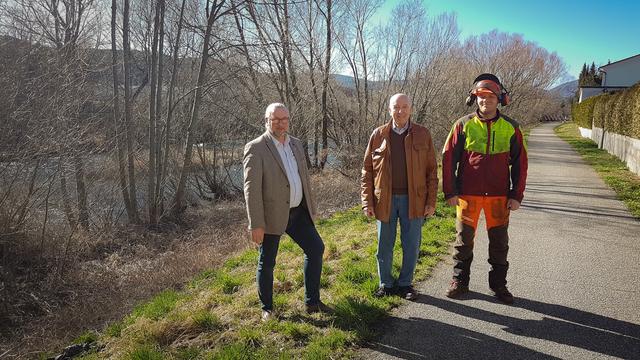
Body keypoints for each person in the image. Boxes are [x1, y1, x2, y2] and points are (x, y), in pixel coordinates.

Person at [442, 73, 528, 304]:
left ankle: (499, 285)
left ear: (500, 99)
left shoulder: (511, 127)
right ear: (474, 98)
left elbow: (521, 162)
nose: (485, 101)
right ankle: (460, 281)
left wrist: (516, 195)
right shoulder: (462, 125)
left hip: (499, 196)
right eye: (481, 96)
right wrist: (450, 192)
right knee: (463, 241)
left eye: (490, 97)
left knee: (499, 242)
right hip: (467, 195)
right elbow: (448, 159)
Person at [243, 103, 330, 322]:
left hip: (298, 212)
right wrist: (256, 224)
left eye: (284, 119)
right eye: (275, 119)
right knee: (268, 262)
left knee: (316, 248)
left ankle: (312, 302)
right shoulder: (256, 148)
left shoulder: (296, 144)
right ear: (266, 120)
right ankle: (267, 309)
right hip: (271, 215)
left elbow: (304, 179)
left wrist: (311, 209)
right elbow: (250, 190)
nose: (281, 123)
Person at [361, 93, 438, 300]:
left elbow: (432, 171)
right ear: (389, 110)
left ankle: (405, 284)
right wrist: (367, 201)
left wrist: (431, 202)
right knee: (384, 245)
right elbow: (367, 171)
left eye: (404, 107)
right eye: (396, 107)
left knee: (411, 244)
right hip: (383, 200)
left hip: (414, 200)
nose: (400, 111)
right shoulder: (378, 135)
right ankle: (385, 283)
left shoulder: (423, 134)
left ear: (410, 109)